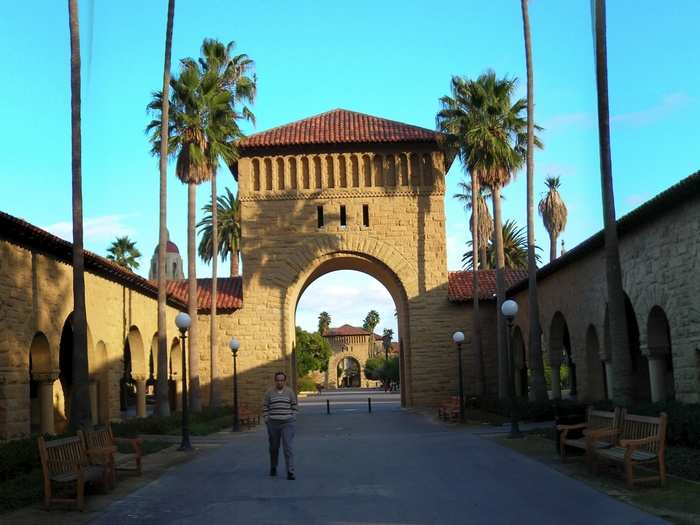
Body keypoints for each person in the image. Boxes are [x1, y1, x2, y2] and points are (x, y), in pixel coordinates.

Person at [262, 371, 298, 480]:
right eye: (278, 380)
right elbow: (265, 406)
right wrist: (266, 418)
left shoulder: (290, 392)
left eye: (282, 380)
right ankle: (273, 466)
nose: (280, 382)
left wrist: (293, 417)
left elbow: (294, 406)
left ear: (285, 381)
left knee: (288, 447)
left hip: (287, 423)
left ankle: (290, 471)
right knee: (274, 448)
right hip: (273, 423)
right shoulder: (269, 392)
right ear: (275, 381)